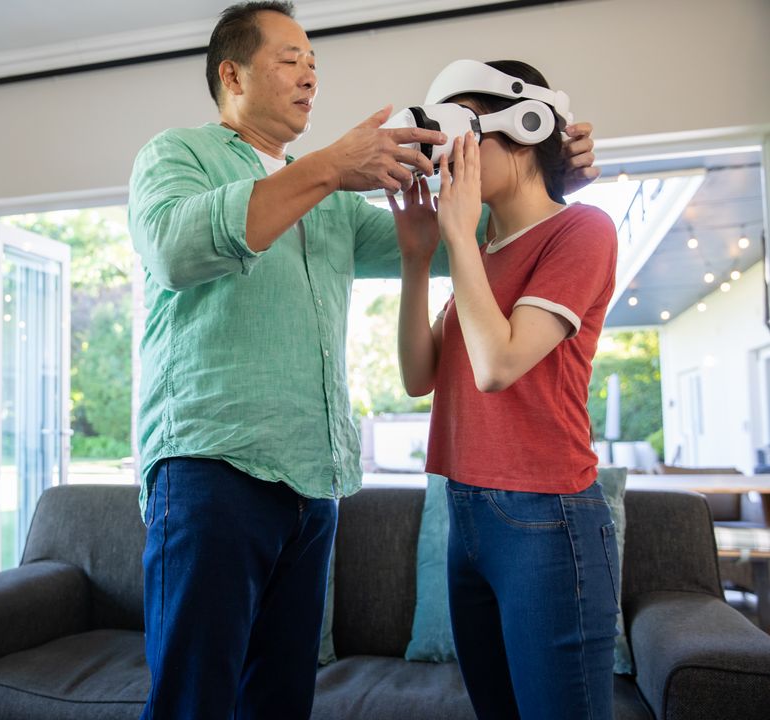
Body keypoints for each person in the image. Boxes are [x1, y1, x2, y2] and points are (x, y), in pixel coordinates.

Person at [127, 1, 599, 716]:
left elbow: (460, 237)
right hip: (210, 469)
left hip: (312, 484)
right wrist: (327, 167)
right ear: (232, 75)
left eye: (314, 62)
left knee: (279, 701)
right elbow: (172, 249)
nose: (309, 75)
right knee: (195, 701)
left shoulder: (333, 205)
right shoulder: (177, 156)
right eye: (290, 59)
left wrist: (550, 173)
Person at [393, 59, 619, 719]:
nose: (450, 160)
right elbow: (418, 377)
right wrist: (417, 258)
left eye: (464, 134)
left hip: (546, 516)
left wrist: (458, 237)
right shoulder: (484, 253)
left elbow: (498, 365)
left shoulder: (583, 230)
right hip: (465, 512)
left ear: (525, 129)